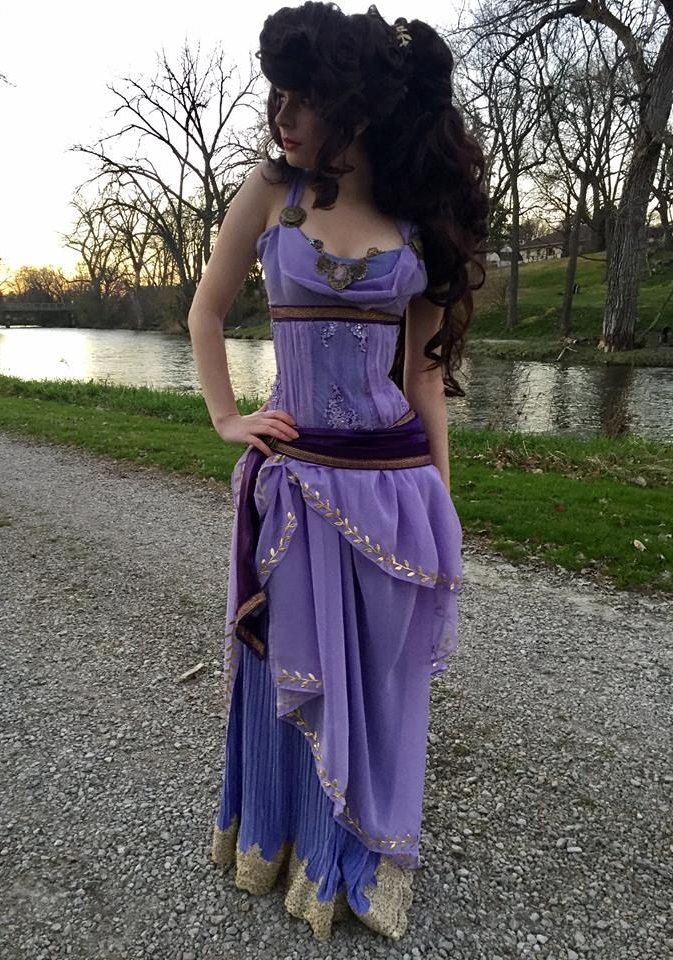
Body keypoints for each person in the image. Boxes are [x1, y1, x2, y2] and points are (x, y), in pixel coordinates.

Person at [188, 0, 488, 941]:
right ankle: (291, 841)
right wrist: (230, 416)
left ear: (351, 104)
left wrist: (441, 497)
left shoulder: (410, 217)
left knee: (386, 674)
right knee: (297, 668)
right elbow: (205, 313)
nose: (283, 113)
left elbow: (427, 382)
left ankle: (368, 855)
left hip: (392, 483)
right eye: (277, 93)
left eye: (304, 96)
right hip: (297, 487)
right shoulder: (267, 199)